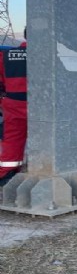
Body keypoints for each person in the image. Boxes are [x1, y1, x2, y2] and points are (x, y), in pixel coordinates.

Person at [0, 30, 27, 186]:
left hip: (14, 102)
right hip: (48, 105)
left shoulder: (7, 55)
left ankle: (8, 173)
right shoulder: (54, 55)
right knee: (51, 137)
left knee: (13, 137)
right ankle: (46, 167)